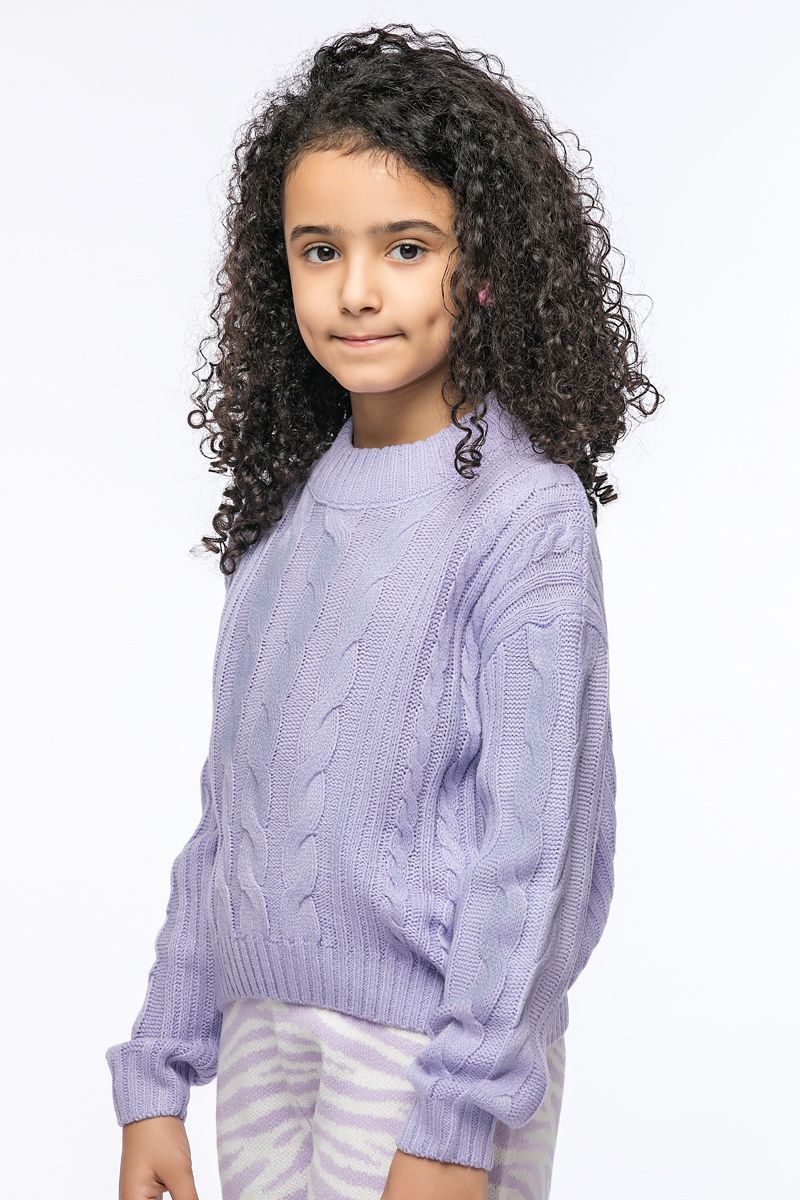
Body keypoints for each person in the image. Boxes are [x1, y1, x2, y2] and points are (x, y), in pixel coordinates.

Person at [105, 22, 663, 1200]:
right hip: (263, 1048)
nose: (355, 290)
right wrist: (159, 1067)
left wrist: (456, 1118)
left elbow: (538, 853)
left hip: (427, 1066)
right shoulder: (284, 521)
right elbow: (230, 822)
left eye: (405, 247)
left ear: (485, 264)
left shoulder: (524, 516)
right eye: (318, 250)